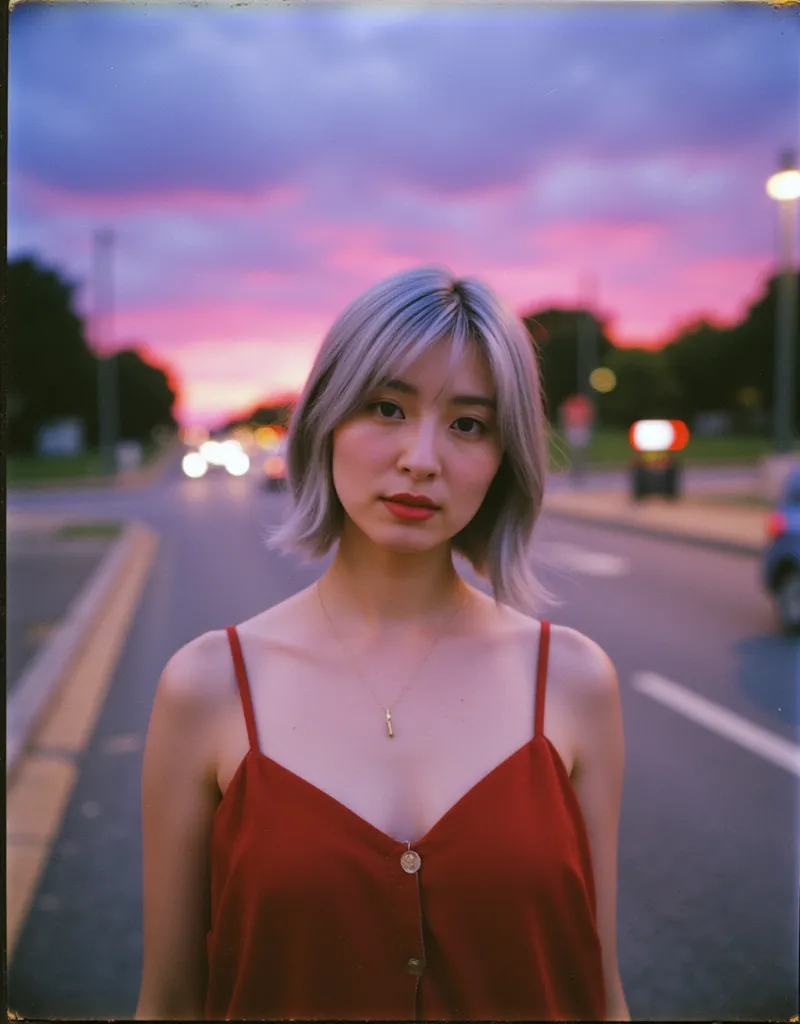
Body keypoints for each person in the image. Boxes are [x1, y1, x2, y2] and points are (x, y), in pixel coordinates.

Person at [136, 266, 629, 1022]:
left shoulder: (571, 681)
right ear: (326, 419)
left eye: (469, 424)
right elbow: (170, 1000)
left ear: (505, 459)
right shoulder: (208, 687)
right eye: (386, 408)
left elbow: (597, 988)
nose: (422, 458)